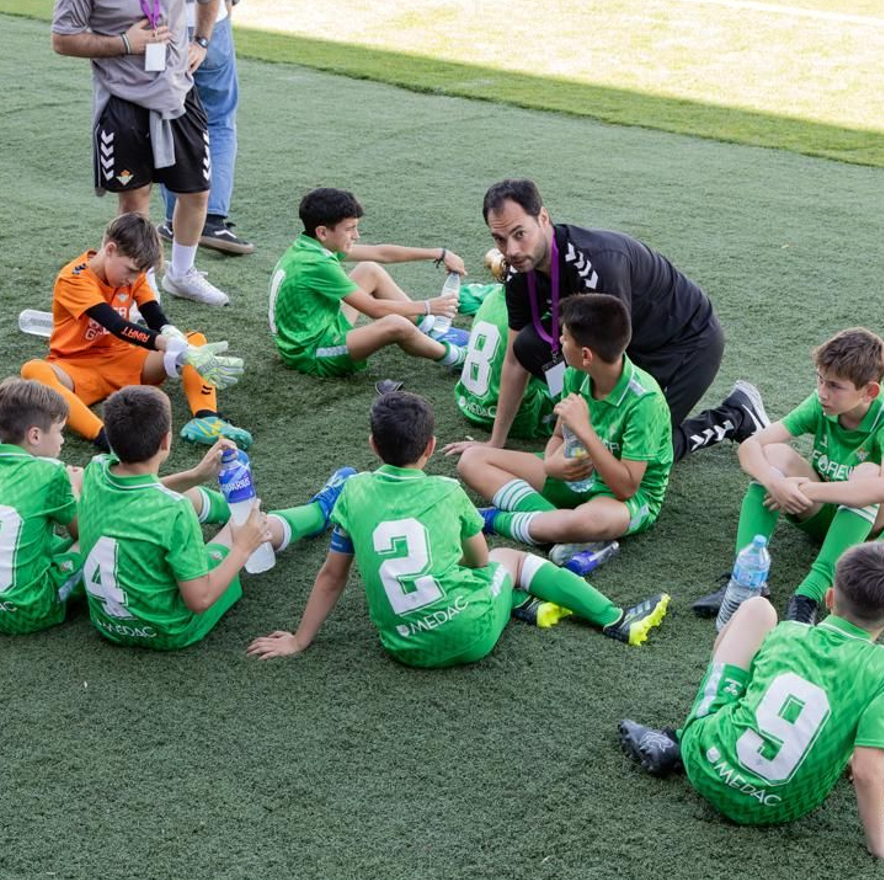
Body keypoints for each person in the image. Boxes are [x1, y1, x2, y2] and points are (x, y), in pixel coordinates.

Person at [246, 391, 669, 666]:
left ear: (373, 446)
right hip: (469, 633)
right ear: (430, 448)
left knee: (489, 575)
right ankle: (617, 618)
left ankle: (523, 605)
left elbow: (332, 575)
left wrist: (300, 641)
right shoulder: (448, 491)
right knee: (510, 559)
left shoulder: (353, 492)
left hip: (402, 647)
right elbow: (481, 561)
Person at [617, 543, 884, 860]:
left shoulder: (789, 632)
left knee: (758, 610)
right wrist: (882, 845)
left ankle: (679, 742)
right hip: (781, 805)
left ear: (830, 597)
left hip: (704, 760)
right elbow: (867, 770)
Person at [442, 179, 767, 463]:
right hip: (625, 339)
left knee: (638, 452)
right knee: (530, 346)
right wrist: (495, 443)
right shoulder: (518, 272)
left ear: (543, 218)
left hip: (684, 340)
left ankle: (736, 414)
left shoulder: (597, 265)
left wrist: (589, 433)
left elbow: (613, 363)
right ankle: (565, 415)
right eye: (499, 239)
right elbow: (514, 360)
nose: (511, 250)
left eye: (519, 234)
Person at [52, 0, 231, 306]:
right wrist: (125, 43)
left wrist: (201, 42)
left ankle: (182, 274)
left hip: (177, 92)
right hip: (124, 102)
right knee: (136, 203)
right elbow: (62, 38)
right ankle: (138, 287)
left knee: (196, 192)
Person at [77, 385, 352, 651]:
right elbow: (201, 599)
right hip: (171, 629)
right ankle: (320, 512)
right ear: (165, 441)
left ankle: (238, 511)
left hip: (108, 623)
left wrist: (196, 475)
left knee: (193, 494)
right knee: (244, 526)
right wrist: (243, 547)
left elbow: (141, 493)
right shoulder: (174, 511)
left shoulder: (97, 471)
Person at [694, 327, 884, 626]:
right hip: (831, 511)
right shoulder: (822, 403)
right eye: (820, 379)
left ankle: (810, 595)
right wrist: (775, 483)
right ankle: (746, 583)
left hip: (878, 530)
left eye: (835, 386)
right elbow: (751, 446)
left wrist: (808, 491)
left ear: (869, 391)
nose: (823, 392)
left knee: (868, 474)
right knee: (773, 453)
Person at [18, 212, 248, 451]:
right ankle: (103, 436)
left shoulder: (133, 275)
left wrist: (179, 341)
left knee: (195, 340)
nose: (133, 279)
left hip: (123, 361)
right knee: (34, 370)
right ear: (109, 249)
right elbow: (117, 326)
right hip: (76, 368)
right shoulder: (73, 278)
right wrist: (166, 344)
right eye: (130, 270)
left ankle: (207, 419)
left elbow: (154, 316)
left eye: (139, 274)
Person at [457, 294, 671, 548]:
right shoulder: (573, 375)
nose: (559, 341)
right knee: (471, 461)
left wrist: (586, 431)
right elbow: (559, 437)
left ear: (587, 355)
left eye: (565, 337)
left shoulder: (646, 401)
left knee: (585, 523)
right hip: (576, 473)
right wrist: (552, 464)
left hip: (622, 499)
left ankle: (494, 520)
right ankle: (559, 532)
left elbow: (626, 488)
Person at [129, 0, 256, 256]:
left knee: (167, 114)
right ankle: (212, 219)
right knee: (217, 118)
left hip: (153, 21)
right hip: (210, 15)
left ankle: (174, 219)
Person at [268, 188, 469, 378]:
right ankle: (458, 358)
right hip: (313, 353)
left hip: (321, 327)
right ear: (322, 232)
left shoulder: (311, 245)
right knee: (396, 324)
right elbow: (373, 309)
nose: (357, 235)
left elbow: (380, 253)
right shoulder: (316, 263)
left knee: (369, 269)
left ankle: (428, 330)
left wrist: (439, 253)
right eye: (350, 229)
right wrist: (428, 306)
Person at [0, 380, 87, 635]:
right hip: (27, 611)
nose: (63, 440)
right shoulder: (51, 472)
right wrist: (75, 487)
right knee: (95, 540)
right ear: (35, 435)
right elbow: (82, 533)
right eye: (59, 431)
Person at [453, 257, 556, 440]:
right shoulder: (542, 315)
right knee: (574, 367)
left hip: (468, 403)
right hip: (519, 417)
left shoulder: (493, 295)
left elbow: (463, 296)